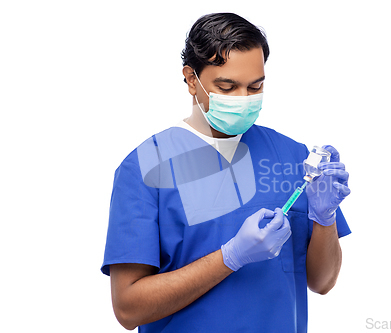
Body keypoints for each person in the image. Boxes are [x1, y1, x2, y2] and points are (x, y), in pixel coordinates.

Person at [101, 12, 351, 332]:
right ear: (192, 79)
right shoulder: (145, 168)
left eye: (255, 86)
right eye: (227, 86)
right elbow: (128, 310)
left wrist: (325, 219)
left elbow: (322, 282)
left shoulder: (292, 157)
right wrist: (230, 257)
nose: (243, 100)